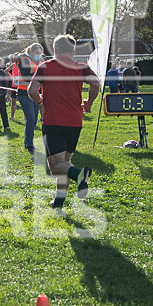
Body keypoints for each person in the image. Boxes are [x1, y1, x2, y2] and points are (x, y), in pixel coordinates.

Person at [28, 35, 101, 212]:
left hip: (53, 121)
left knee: (55, 167)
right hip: (75, 122)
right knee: (65, 164)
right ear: (73, 50)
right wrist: (89, 103)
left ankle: (80, 175)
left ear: (54, 50)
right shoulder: (81, 67)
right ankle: (58, 202)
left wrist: (40, 102)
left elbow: (31, 90)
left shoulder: (45, 66)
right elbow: (96, 84)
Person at [13, 43, 43, 154]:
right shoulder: (25, 59)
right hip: (24, 93)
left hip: (34, 93)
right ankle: (29, 144)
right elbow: (26, 75)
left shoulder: (38, 62)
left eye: (40, 54)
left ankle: (29, 142)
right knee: (30, 118)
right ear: (31, 52)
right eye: (37, 53)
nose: (39, 55)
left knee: (34, 119)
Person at [5, 54, 18, 120]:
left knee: (24, 102)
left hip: (22, 85)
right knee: (13, 101)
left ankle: (25, 117)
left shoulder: (23, 65)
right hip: (14, 85)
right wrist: (12, 77)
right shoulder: (13, 65)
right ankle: (12, 116)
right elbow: (6, 71)